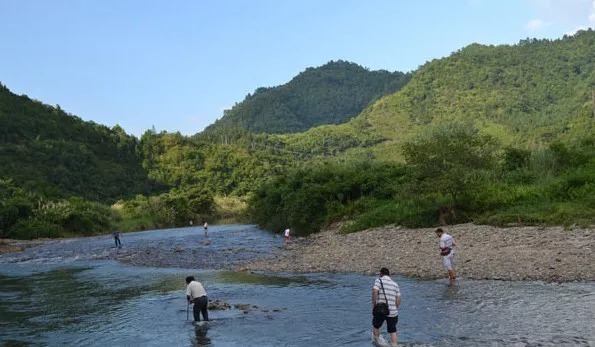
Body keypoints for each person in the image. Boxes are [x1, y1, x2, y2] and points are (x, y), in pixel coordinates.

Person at [372, 267, 401, 346]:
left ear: (381, 274)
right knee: (393, 331)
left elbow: (375, 291)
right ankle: (395, 345)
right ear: (389, 275)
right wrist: (395, 308)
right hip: (393, 311)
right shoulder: (395, 284)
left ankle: (377, 343)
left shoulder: (379, 280)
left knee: (376, 326)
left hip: (380, 309)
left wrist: (374, 304)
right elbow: (399, 299)